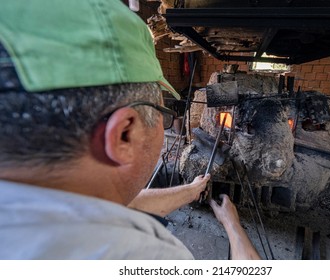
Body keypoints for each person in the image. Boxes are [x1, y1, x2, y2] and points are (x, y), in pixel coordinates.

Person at [0, 0, 260, 260]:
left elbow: (125, 203)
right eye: (164, 114)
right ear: (125, 134)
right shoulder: (145, 257)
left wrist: (190, 191)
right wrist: (232, 224)